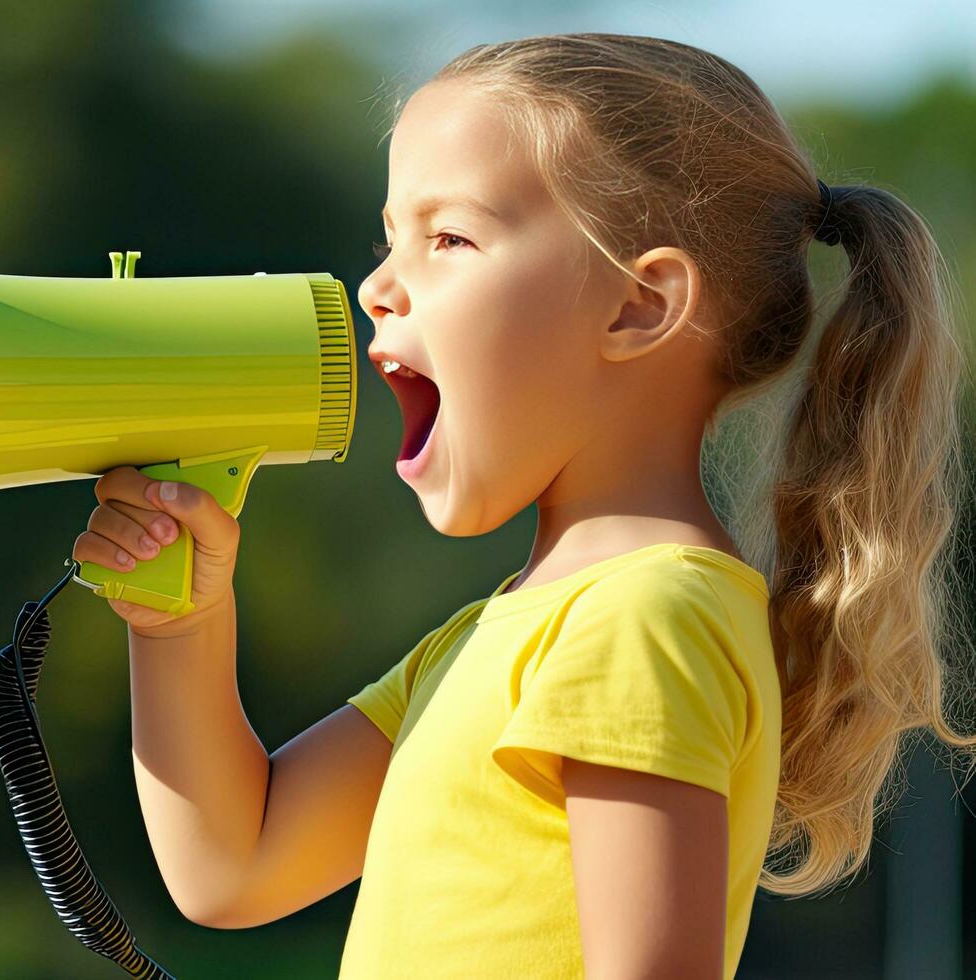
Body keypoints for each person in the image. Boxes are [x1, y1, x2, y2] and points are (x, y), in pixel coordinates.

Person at [68, 32, 973, 979]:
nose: (376, 287)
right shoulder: (499, 633)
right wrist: (179, 621)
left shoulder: (642, 618)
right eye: (388, 241)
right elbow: (234, 865)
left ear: (637, 304)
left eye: (447, 238)